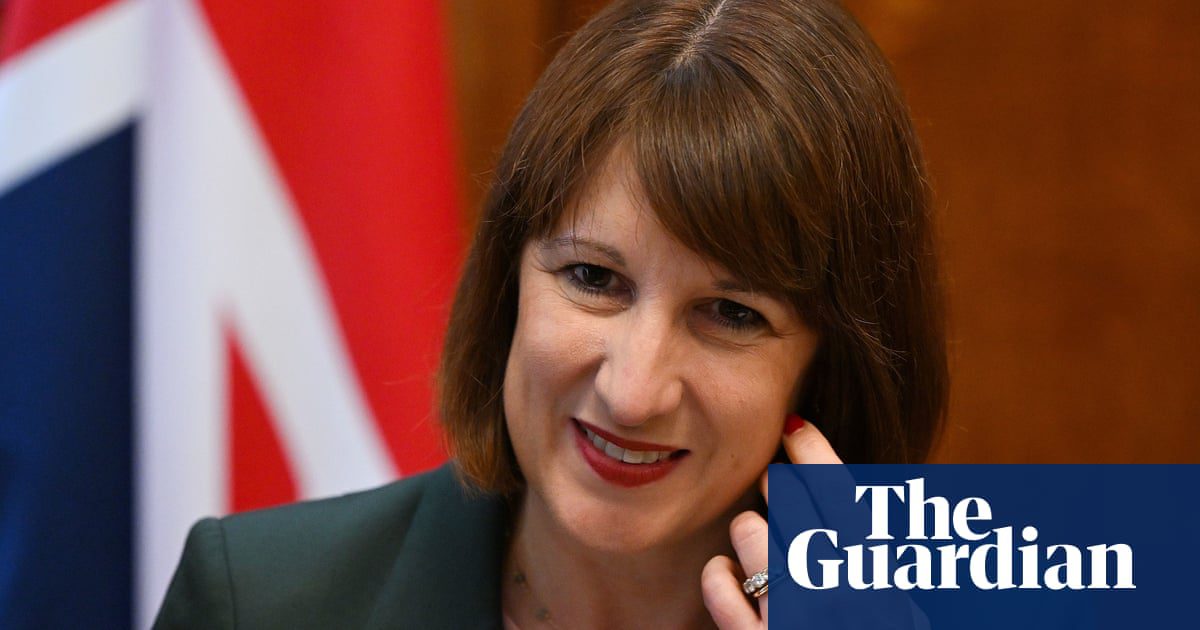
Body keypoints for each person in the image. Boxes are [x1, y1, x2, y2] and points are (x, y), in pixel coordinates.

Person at [153, 0, 946, 627]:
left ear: (826, 368)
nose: (633, 392)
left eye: (732, 315)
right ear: (509, 285)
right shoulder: (257, 602)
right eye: (594, 278)